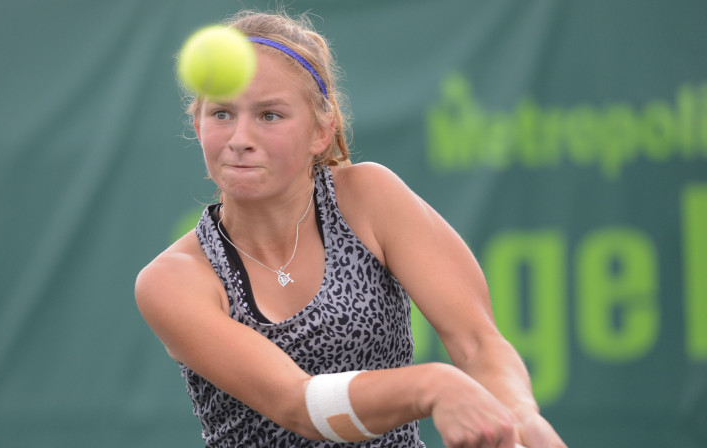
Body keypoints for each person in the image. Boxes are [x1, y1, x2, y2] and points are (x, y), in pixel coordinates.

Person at [136, 9, 567, 448]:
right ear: (198, 124)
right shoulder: (172, 280)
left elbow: (477, 343)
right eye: (222, 114)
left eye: (270, 115)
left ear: (321, 132)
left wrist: (520, 417)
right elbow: (297, 405)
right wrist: (434, 386)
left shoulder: (369, 197)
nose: (240, 137)